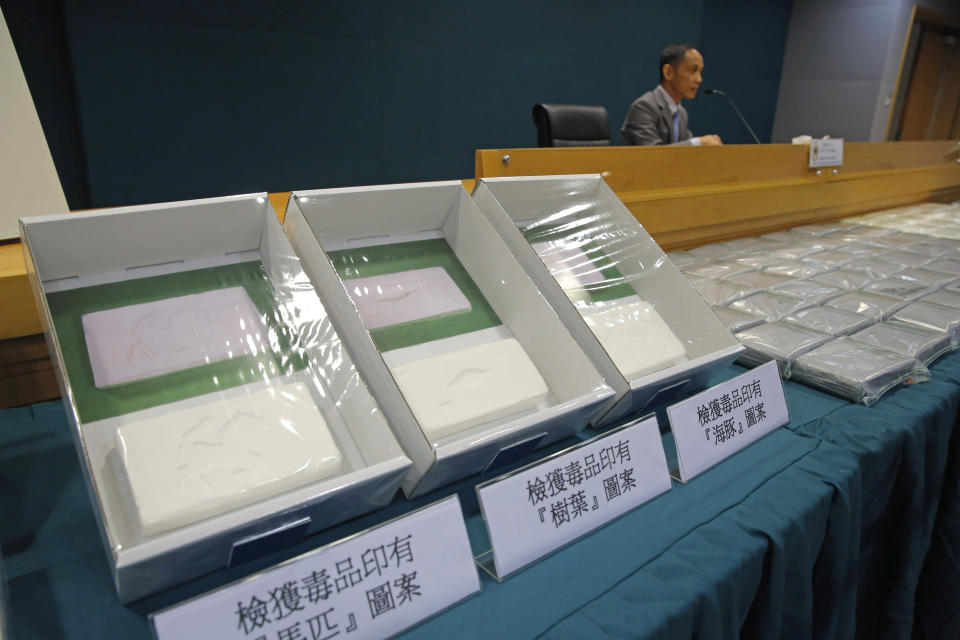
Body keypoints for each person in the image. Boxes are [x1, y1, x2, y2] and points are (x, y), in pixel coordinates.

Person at [620, 43, 722, 146]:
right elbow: (653, 155)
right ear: (669, 72)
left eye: (700, 72)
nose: (699, 79)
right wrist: (699, 142)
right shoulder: (644, 107)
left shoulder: (681, 113)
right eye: (692, 70)